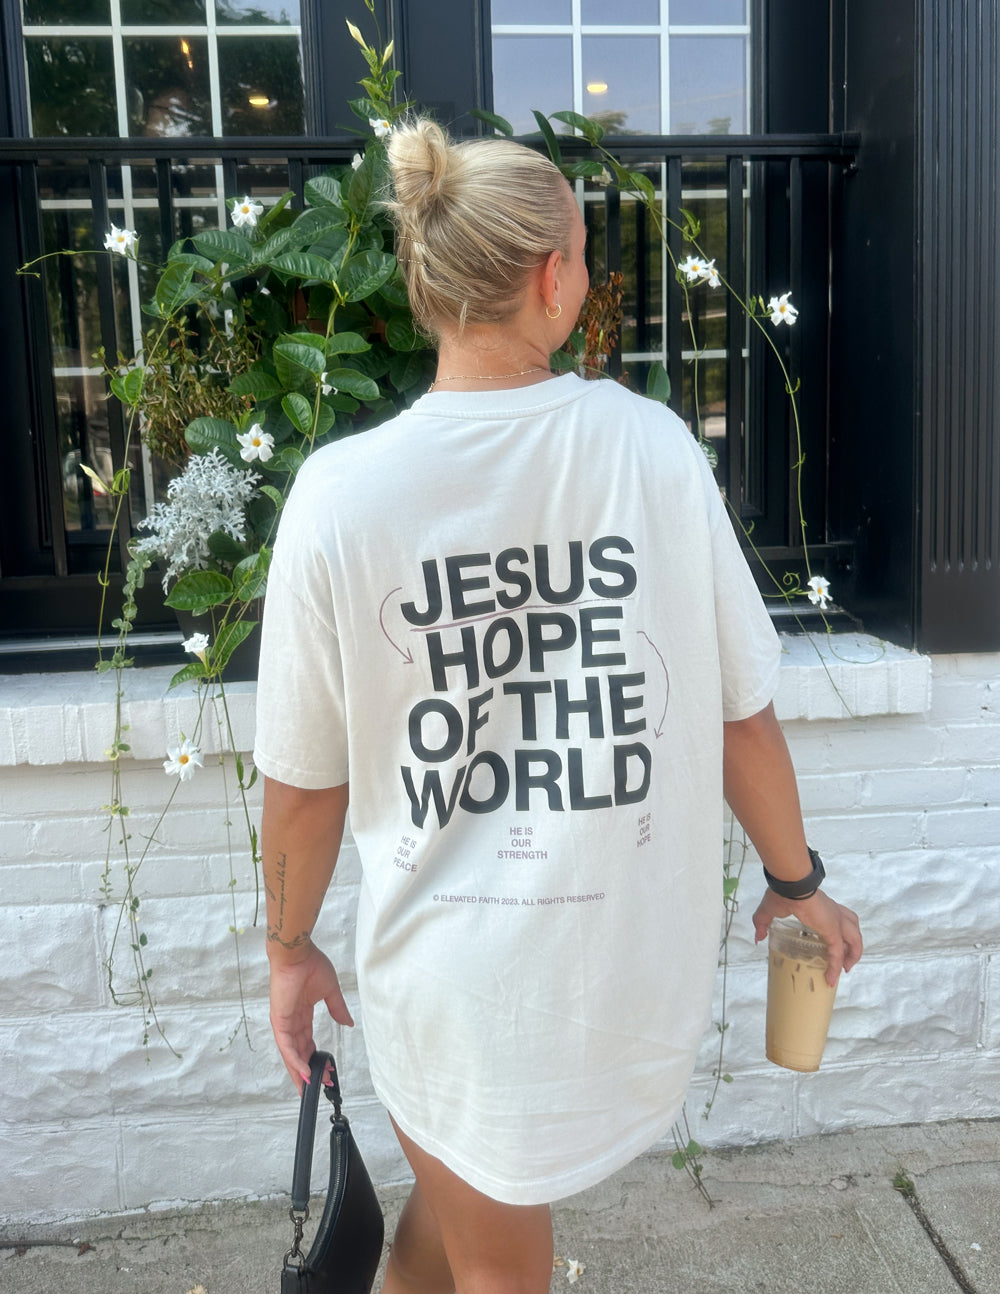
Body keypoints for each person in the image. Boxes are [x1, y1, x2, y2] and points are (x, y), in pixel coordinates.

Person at [253, 119, 862, 1294]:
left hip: (446, 985)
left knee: (464, 1218)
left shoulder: (338, 495)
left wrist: (287, 949)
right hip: (596, 976)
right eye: (583, 251)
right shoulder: (652, 449)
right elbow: (737, 712)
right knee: (487, 1255)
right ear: (552, 277)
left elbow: (303, 782)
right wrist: (797, 882)